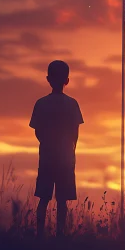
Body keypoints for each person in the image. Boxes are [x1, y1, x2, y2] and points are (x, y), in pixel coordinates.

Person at [29, 60, 83, 237]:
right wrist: (70, 148)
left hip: (46, 156)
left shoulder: (41, 103)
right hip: (66, 157)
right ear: (67, 80)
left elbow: (37, 130)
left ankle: (40, 235)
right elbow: (75, 132)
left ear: (48, 79)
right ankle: (60, 234)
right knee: (62, 201)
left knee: (43, 198)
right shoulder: (72, 104)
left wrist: (47, 143)